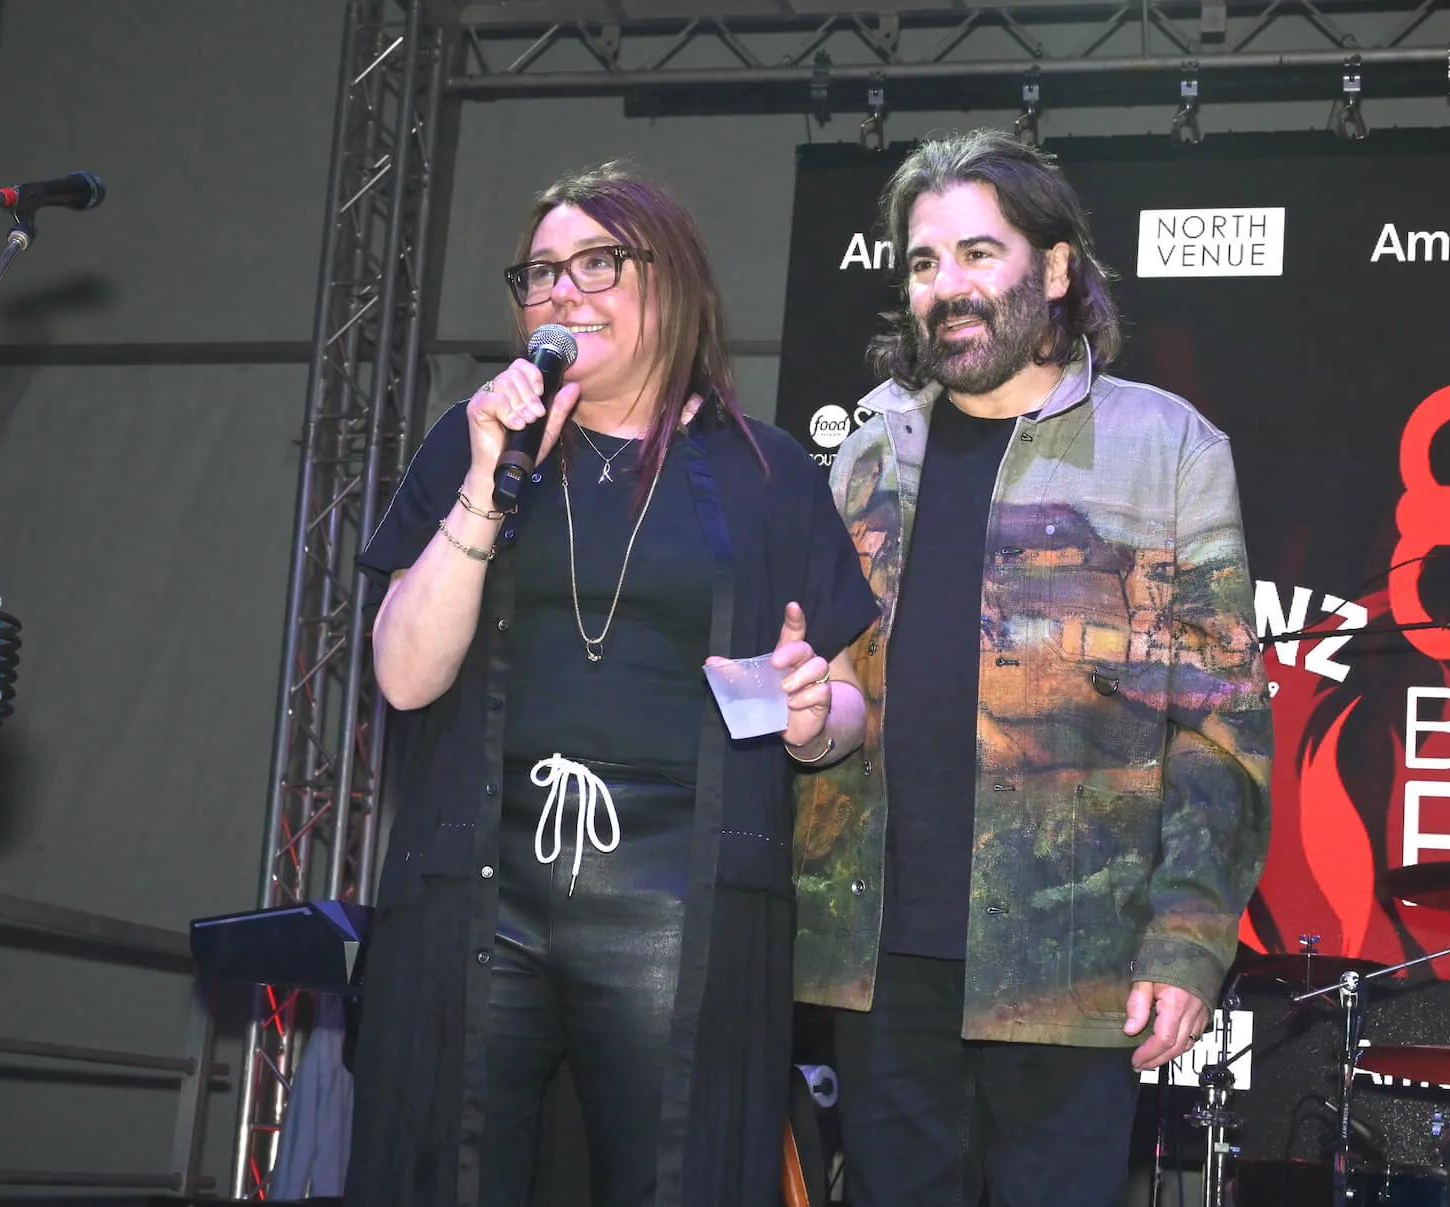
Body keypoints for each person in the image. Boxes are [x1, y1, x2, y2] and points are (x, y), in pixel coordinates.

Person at [344, 162, 878, 1207]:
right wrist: (485, 487)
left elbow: (849, 701)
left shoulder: (766, 470)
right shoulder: (473, 440)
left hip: (682, 907)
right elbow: (403, 679)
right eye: (540, 272)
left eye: (597, 262)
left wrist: (814, 716)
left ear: (669, 282)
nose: (561, 290)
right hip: (478, 891)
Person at [792, 129, 1274, 1206]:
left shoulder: (1167, 447)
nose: (945, 288)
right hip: (879, 969)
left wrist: (1189, 934)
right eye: (923, 264)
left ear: (1053, 270)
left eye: (976, 253)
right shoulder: (868, 454)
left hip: (1071, 962)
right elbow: (827, 687)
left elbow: (1217, 722)